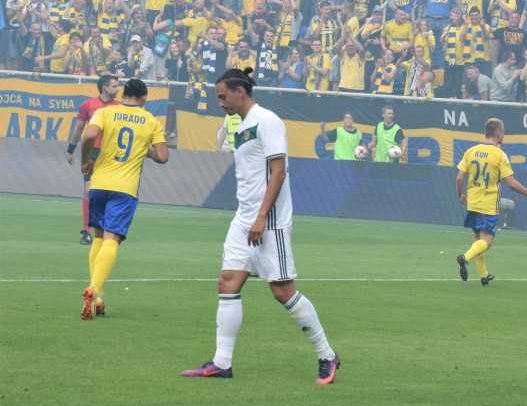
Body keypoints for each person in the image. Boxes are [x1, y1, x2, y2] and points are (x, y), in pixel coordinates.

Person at [182, 68, 339, 384]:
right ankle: (221, 363)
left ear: (240, 91)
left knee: (282, 291)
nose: (221, 103)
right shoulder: (240, 125)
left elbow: (278, 173)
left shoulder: (267, 121)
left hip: (269, 222)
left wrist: (261, 216)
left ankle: (327, 355)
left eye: (223, 96)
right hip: (245, 218)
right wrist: (250, 215)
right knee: (228, 281)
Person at [78, 79, 168, 320]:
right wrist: (144, 150)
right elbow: (162, 156)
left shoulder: (106, 111)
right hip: (125, 188)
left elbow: (89, 136)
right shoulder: (151, 121)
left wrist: (85, 160)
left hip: (99, 184)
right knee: (112, 239)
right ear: (144, 97)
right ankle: (93, 289)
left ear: (124, 93)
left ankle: (98, 297)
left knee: (98, 235)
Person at [455, 118, 527, 285]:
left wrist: (460, 194)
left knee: (477, 240)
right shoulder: (500, 154)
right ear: (499, 133)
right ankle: (464, 258)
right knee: (486, 242)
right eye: (504, 132)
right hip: (488, 205)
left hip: (472, 203)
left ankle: (483, 275)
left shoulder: (470, 151)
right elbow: (511, 183)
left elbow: (459, 177)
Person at [66, 74, 121, 245]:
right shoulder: (88, 105)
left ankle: (105, 229)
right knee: (89, 191)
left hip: (111, 154)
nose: (117, 89)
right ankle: (87, 232)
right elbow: (79, 128)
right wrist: (71, 149)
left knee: (108, 193)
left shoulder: (120, 107)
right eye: (114, 86)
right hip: (92, 153)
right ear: (105, 88)